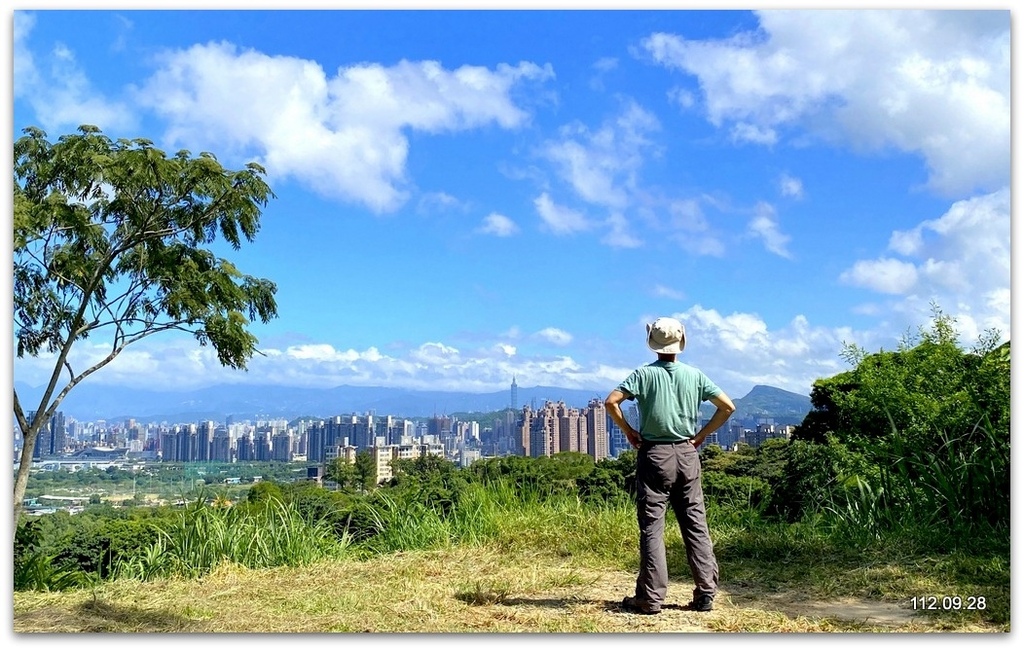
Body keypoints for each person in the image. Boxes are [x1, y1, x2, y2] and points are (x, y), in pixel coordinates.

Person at [605, 316, 735, 615]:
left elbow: (611, 402)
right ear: (681, 342)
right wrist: (701, 436)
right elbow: (727, 407)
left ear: (652, 343)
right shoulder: (695, 375)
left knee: (652, 528)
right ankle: (705, 593)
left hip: (654, 454)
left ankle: (650, 598)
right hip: (687, 454)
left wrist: (629, 431)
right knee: (695, 524)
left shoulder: (642, 375)